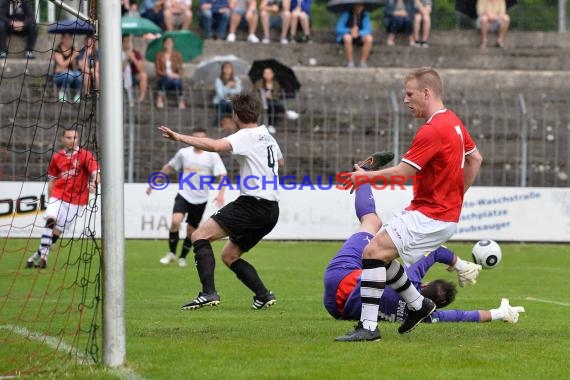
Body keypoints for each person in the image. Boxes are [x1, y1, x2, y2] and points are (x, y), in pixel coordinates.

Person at [336, 67, 483, 342]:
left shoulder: (433, 129)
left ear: (426, 93)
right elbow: (476, 159)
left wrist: (364, 177)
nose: (405, 99)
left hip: (432, 214)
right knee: (382, 255)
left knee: (371, 252)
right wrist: (457, 196)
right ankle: (418, 306)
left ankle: (368, 328)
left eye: (409, 93)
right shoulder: (453, 121)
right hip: (437, 213)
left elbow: (404, 172)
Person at [324, 183, 524, 324]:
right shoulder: (428, 316)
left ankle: (363, 177)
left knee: (372, 222)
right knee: (380, 266)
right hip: (337, 310)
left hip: (342, 277)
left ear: (425, 284)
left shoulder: (411, 279)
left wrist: (461, 265)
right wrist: (499, 313)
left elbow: (434, 252)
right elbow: (464, 316)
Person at [158, 93, 284, 310]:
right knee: (229, 255)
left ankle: (208, 293)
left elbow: (215, 146)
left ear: (236, 115)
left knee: (199, 235)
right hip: (271, 209)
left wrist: (179, 137)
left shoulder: (247, 135)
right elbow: (280, 162)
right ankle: (263, 295)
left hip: (252, 204)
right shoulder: (267, 135)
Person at [147, 128, 227, 267]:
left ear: (206, 139)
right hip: (184, 194)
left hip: (201, 198)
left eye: (202, 138)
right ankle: (171, 253)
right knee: (175, 221)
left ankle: (182, 257)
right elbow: (169, 167)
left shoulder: (212, 156)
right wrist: (154, 182)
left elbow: (223, 175)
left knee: (191, 231)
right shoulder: (184, 153)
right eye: (196, 138)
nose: (198, 141)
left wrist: (220, 194)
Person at [26, 129, 99, 269]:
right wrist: (50, 198)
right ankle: (44, 258)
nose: (72, 140)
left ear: (78, 139)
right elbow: (52, 180)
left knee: (57, 232)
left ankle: (36, 256)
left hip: (77, 200)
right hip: (58, 194)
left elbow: (96, 173)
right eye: (69, 137)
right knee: (50, 218)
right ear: (63, 139)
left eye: (75, 137)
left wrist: (93, 183)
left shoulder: (86, 155)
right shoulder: (57, 157)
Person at [254, 67, 299, 133]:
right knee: (271, 104)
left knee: (272, 106)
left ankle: (270, 125)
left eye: (269, 73)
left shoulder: (276, 84)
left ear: (272, 74)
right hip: (261, 102)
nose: (267, 75)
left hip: (272, 102)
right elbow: (255, 94)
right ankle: (286, 112)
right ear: (263, 74)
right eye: (265, 73)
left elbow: (278, 95)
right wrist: (264, 96)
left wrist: (271, 96)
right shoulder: (259, 83)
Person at [335, 3, 373, 68]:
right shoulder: (346, 14)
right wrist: (350, 30)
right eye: (358, 6)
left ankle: (362, 61)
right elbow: (338, 29)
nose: (359, 8)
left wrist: (358, 33)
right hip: (347, 36)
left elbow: (368, 29)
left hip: (359, 36)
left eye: (361, 6)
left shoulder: (365, 15)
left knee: (369, 38)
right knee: (347, 38)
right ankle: (350, 62)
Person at [154, 36, 185, 109]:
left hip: (174, 79)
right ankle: (160, 98)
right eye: (166, 42)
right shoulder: (159, 55)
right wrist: (168, 74)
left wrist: (178, 73)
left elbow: (181, 70)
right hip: (163, 78)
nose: (168, 44)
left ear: (173, 44)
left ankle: (180, 100)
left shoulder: (177, 55)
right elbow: (158, 71)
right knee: (167, 79)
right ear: (164, 44)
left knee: (178, 81)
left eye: (170, 42)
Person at [53, 33, 82, 103]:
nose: (68, 40)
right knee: (69, 74)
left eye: (70, 38)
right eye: (66, 38)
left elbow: (74, 67)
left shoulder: (72, 50)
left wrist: (76, 56)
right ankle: (62, 92)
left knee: (79, 74)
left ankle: (78, 94)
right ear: (62, 39)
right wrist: (73, 56)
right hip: (58, 76)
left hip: (71, 74)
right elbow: (62, 65)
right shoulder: (57, 50)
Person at [213, 61, 242, 127]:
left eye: (229, 68)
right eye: (225, 68)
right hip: (221, 102)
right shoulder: (218, 80)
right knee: (223, 103)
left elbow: (238, 91)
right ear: (222, 69)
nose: (227, 70)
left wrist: (230, 90)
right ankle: (217, 124)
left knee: (237, 106)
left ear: (232, 69)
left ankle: (237, 125)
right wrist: (227, 87)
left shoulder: (236, 80)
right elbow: (220, 94)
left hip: (232, 102)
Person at [122, 35, 148, 102]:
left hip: (133, 76)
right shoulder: (118, 53)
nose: (127, 44)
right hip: (122, 77)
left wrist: (133, 59)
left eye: (129, 41)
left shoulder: (136, 53)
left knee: (143, 75)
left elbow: (141, 69)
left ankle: (141, 97)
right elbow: (121, 69)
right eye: (125, 41)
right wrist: (127, 59)